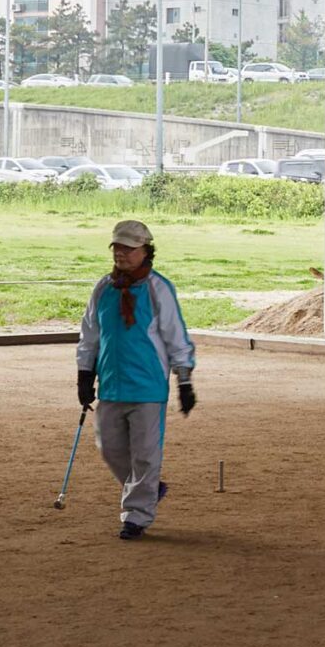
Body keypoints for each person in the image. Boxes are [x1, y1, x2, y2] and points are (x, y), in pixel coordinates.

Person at [76, 217, 197, 541]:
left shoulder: (159, 289)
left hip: (147, 386)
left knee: (145, 454)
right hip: (112, 384)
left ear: (146, 250)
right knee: (110, 449)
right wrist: (84, 373)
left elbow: (176, 337)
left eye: (129, 248)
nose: (121, 253)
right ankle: (149, 488)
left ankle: (136, 516)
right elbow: (90, 334)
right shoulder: (104, 288)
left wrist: (184, 381)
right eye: (117, 246)